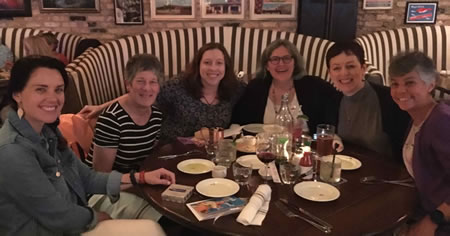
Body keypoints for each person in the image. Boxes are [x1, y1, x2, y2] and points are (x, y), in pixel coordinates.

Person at [0, 55, 175, 236]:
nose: (53, 98)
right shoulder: (12, 151)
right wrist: (95, 217)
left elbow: (88, 178)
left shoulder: (47, 132)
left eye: (58, 90)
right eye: (41, 89)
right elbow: (58, 215)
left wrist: (142, 178)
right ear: (17, 94)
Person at [80, 43, 244, 143]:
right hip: (169, 152)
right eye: (207, 62)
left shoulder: (234, 89)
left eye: (219, 63)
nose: (213, 68)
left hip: (210, 158)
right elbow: (143, 93)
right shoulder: (179, 86)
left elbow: (258, 93)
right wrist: (102, 107)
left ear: (226, 67)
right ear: (198, 65)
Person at [85, 54, 164, 221]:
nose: (147, 88)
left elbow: (148, 160)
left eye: (153, 82)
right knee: (164, 219)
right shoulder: (112, 119)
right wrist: (142, 187)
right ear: (128, 85)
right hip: (103, 192)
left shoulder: (156, 116)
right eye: (140, 81)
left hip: (137, 184)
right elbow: (101, 176)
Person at [389, 51, 450, 235]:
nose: (400, 90)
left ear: (431, 84)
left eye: (410, 82)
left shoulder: (442, 121)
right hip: (422, 210)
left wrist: (433, 221)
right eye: (395, 83)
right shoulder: (417, 117)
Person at [232, 39, 338, 135]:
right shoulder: (255, 88)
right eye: (275, 59)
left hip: (305, 150)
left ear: (294, 62)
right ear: (267, 66)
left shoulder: (314, 86)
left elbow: (338, 104)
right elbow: (240, 121)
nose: (281, 64)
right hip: (263, 151)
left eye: (286, 58)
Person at [324, 41, 410, 159]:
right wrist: (334, 137)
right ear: (330, 73)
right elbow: (318, 133)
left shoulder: (388, 99)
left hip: (383, 174)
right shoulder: (331, 99)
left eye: (351, 66)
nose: (344, 73)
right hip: (344, 170)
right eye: (336, 68)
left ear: (363, 68)